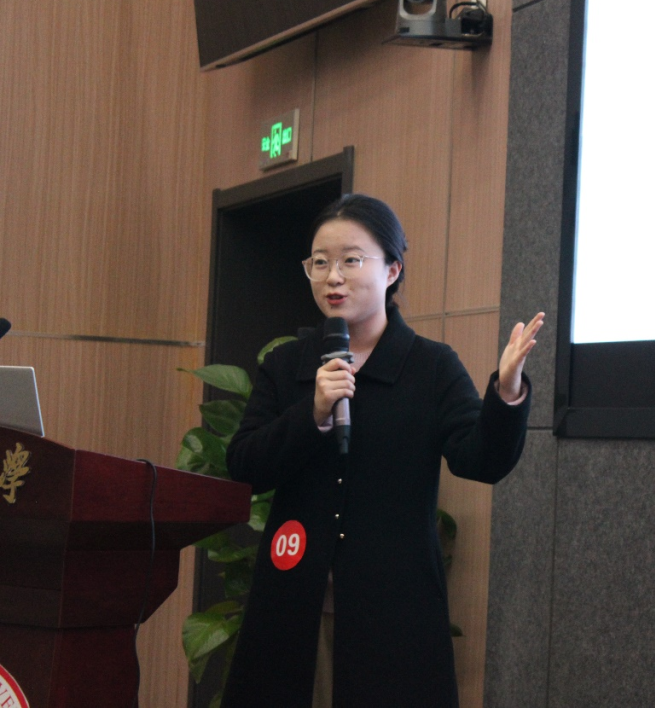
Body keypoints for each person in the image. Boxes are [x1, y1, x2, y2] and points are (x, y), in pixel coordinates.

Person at [221, 193, 543, 708]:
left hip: (394, 613)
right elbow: (245, 466)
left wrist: (506, 395)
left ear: (392, 270)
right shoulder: (287, 365)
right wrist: (312, 414)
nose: (333, 277)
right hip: (293, 607)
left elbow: (479, 460)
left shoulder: (430, 366)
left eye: (351, 260)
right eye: (320, 263)